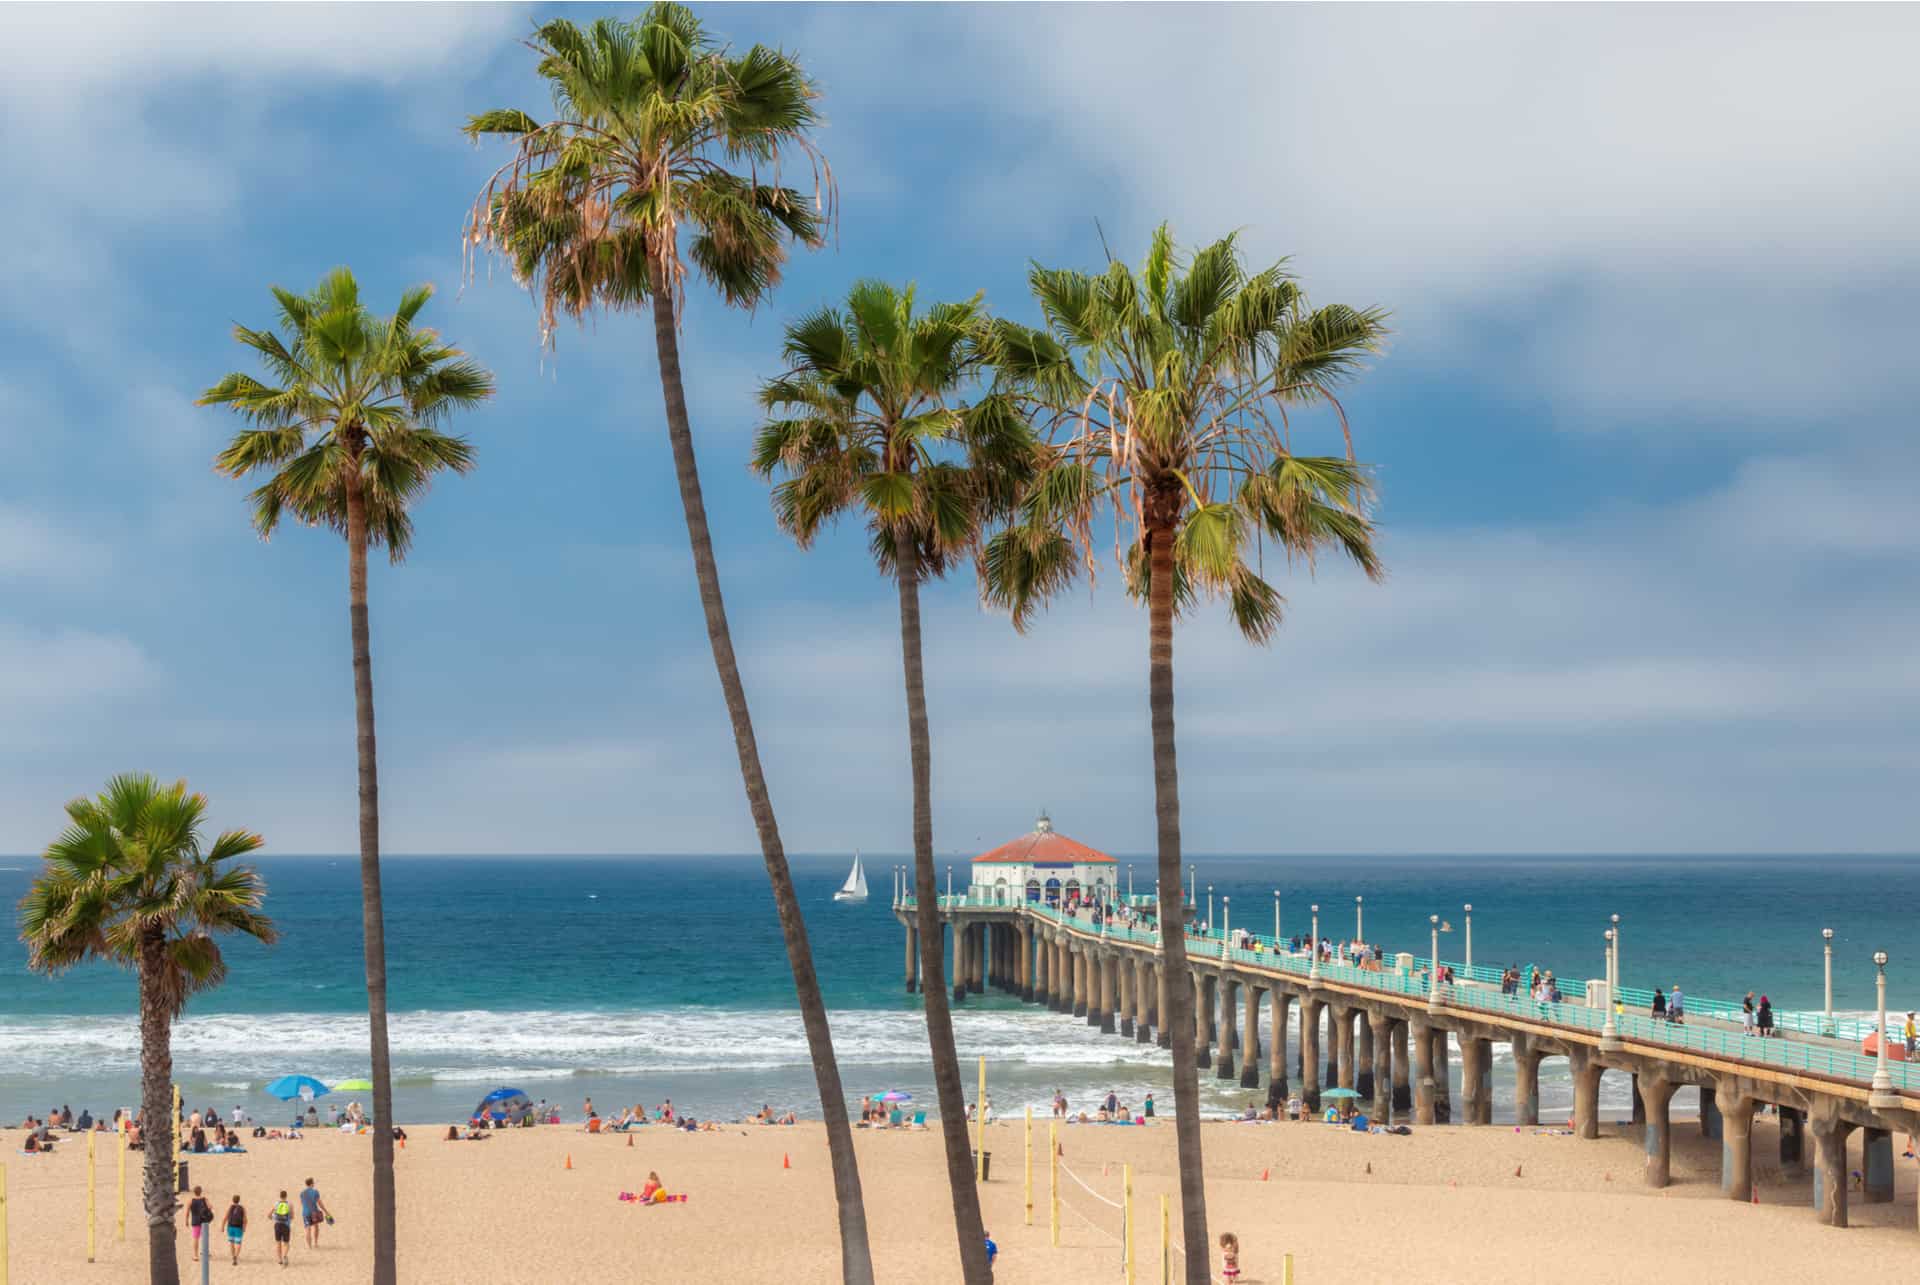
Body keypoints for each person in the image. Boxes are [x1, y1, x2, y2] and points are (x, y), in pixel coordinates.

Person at [185, 1186, 214, 1262]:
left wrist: (186, 1221)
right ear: (201, 1191)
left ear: (194, 1192)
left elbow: (187, 1212)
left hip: (195, 1221)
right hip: (204, 1221)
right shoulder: (204, 1199)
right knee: (205, 1237)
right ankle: (205, 1252)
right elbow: (210, 1207)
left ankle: (195, 1255)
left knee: (196, 1238)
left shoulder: (191, 1200)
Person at [300, 1177, 330, 1248]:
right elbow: (320, 1203)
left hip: (305, 1212)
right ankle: (316, 1243)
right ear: (312, 1183)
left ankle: (309, 1246)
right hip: (314, 1212)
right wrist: (326, 1211)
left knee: (308, 1229)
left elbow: (302, 1203)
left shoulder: (302, 1193)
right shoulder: (315, 1192)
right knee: (316, 1227)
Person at [271, 1190, 295, 1265]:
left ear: (280, 1196)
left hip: (277, 1225)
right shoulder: (289, 1204)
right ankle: (285, 1255)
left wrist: (274, 1218)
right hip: (286, 1225)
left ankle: (279, 1259)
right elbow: (292, 1216)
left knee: (278, 1242)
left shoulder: (276, 1204)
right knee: (286, 1243)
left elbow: (269, 1215)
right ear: (286, 1196)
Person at [224, 1194, 248, 1265]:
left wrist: (222, 1226)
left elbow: (226, 1217)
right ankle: (236, 1257)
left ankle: (233, 1255)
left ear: (232, 1200)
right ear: (239, 1200)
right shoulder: (242, 1208)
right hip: (238, 1227)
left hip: (230, 1227)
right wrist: (244, 1227)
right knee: (238, 1243)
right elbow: (245, 1219)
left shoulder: (230, 1207)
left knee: (231, 1242)